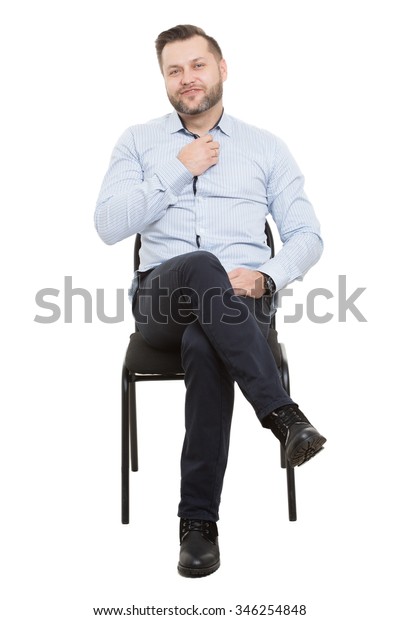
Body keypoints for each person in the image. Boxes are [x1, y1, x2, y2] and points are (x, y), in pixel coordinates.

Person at [95, 24, 326, 578]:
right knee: (201, 267)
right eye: (174, 70)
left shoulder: (265, 146)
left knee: (207, 342)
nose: (187, 79)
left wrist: (268, 276)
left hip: (241, 302)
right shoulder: (138, 142)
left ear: (222, 69)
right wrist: (180, 169)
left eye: (197, 65)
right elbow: (107, 226)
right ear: (164, 82)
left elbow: (307, 235)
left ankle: (197, 524)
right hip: (161, 302)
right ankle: (283, 416)